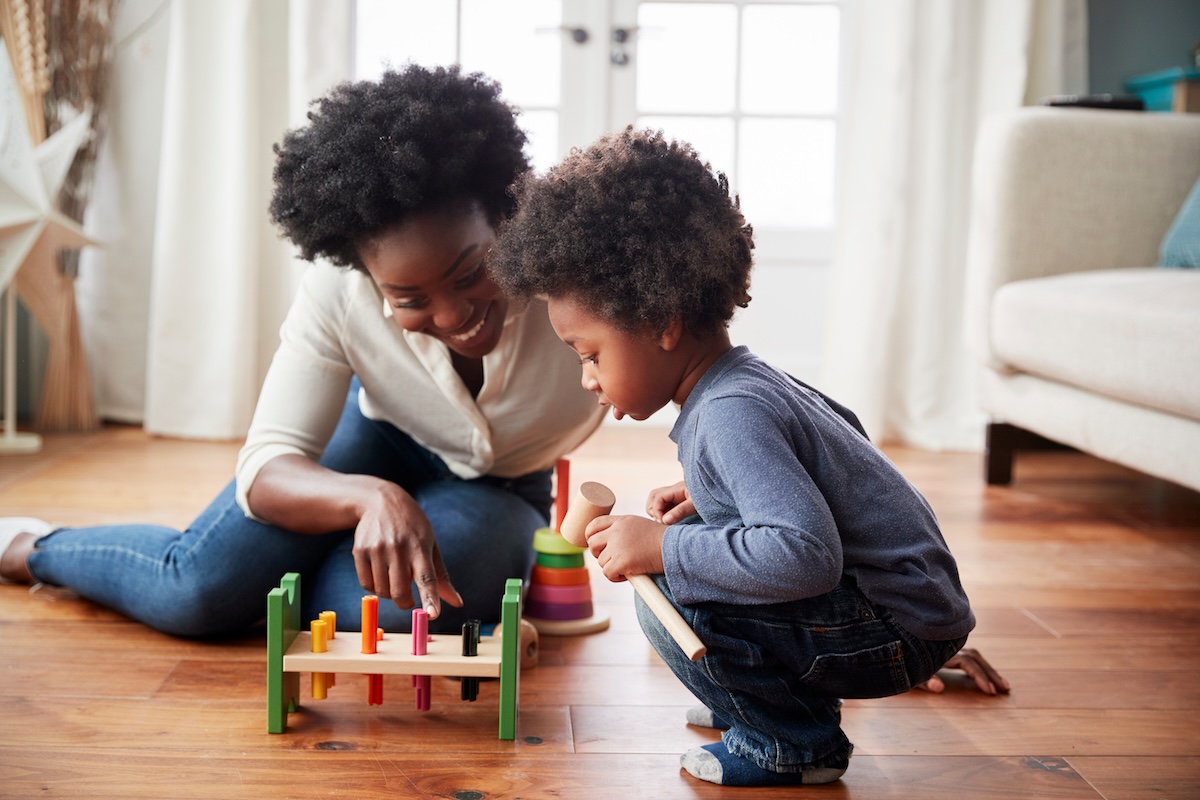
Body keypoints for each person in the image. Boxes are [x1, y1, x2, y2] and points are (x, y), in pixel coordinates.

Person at [0, 65, 604, 636]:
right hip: (380, 436)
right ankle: (31, 549)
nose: (451, 316)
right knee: (196, 592)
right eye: (408, 297)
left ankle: (267, 579)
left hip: (499, 486)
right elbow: (266, 468)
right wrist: (369, 497)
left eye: (471, 274)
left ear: (505, 218)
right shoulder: (337, 291)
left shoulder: (581, 274)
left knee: (383, 615)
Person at [490, 127, 1001, 787]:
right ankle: (760, 696)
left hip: (893, 627)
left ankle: (791, 741)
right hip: (910, 608)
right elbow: (838, 451)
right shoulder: (745, 382)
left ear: (663, 323)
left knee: (670, 597)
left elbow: (807, 556)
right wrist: (715, 493)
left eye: (590, 354)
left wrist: (660, 552)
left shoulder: (729, 413)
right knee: (699, 537)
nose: (587, 378)